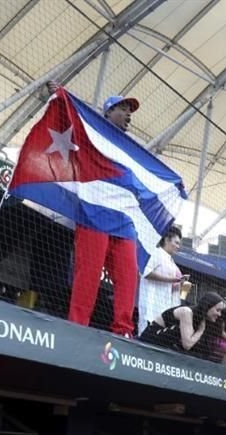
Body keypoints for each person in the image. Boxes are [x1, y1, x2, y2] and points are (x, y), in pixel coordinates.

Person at [67, 95, 143, 338]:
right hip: (94, 214)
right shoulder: (92, 133)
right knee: (88, 273)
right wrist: (60, 97)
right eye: (123, 108)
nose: (129, 114)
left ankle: (123, 331)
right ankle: (77, 327)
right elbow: (70, 120)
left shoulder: (131, 148)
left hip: (123, 220)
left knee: (129, 276)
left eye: (130, 111)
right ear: (108, 112)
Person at [139, 293, 225, 357]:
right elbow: (187, 345)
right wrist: (200, 331)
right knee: (180, 332)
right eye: (218, 310)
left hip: (166, 345)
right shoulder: (187, 312)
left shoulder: (203, 320)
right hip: (151, 337)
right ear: (208, 306)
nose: (219, 314)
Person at [136, 225, 186, 331]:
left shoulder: (171, 262)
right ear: (167, 240)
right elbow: (146, 273)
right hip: (151, 306)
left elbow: (177, 289)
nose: (178, 246)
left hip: (165, 308)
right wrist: (172, 280)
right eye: (176, 243)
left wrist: (182, 284)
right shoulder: (156, 253)